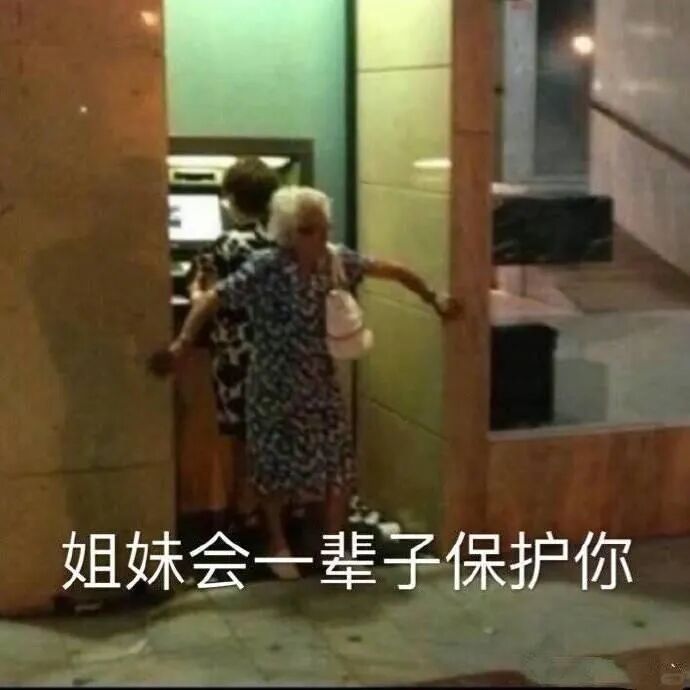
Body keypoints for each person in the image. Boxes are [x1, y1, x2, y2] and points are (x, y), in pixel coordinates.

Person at [150, 186, 461, 579]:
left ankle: (332, 546)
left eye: (323, 227)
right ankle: (278, 543)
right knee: (273, 468)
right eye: (308, 229)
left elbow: (392, 270)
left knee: (337, 465)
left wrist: (434, 297)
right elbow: (214, 298)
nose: (319, 237)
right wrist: (181, 345)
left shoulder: (336, 261)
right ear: (286, 233)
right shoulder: (265, 266)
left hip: (318, 381)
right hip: (272, 383)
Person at [188, 157, 279, 529]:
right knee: (269, 432)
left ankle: (241, 510)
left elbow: (204, 296)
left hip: (234, 356)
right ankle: (272, 512)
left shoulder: (223, 246)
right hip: (276, 352)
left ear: (231, 200)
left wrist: (194, 291)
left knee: (238, 436)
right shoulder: (281, 242)